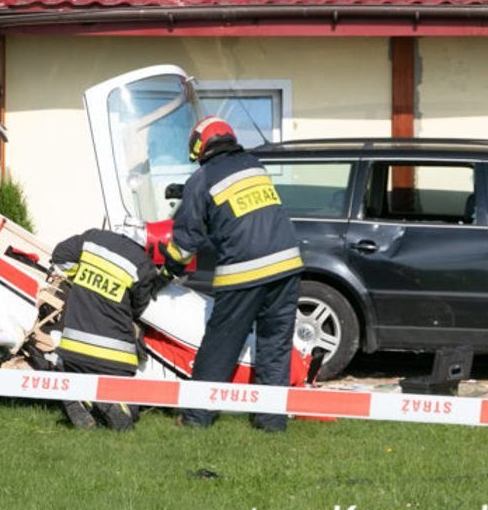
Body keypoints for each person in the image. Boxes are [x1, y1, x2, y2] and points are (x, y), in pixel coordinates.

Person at [164, 116, 302, 432]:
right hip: (287, 266)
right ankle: (270, 422)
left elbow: (185, 242)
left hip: (245, 271)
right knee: (274, 346)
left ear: (199, 145)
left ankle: (197, 417)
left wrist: (169, 268)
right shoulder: (254, 165)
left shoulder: (202, 179)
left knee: (221, 344)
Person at [50, 228, 166, 431]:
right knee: (132, 413)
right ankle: (112, 401)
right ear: (144, 245)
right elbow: (138, 308)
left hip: (72, 349)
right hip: (113, 358)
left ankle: (83, 395)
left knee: (81, 373)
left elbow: (59, 257)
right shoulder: (142, 264)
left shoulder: (92, 238)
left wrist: (80, 277)